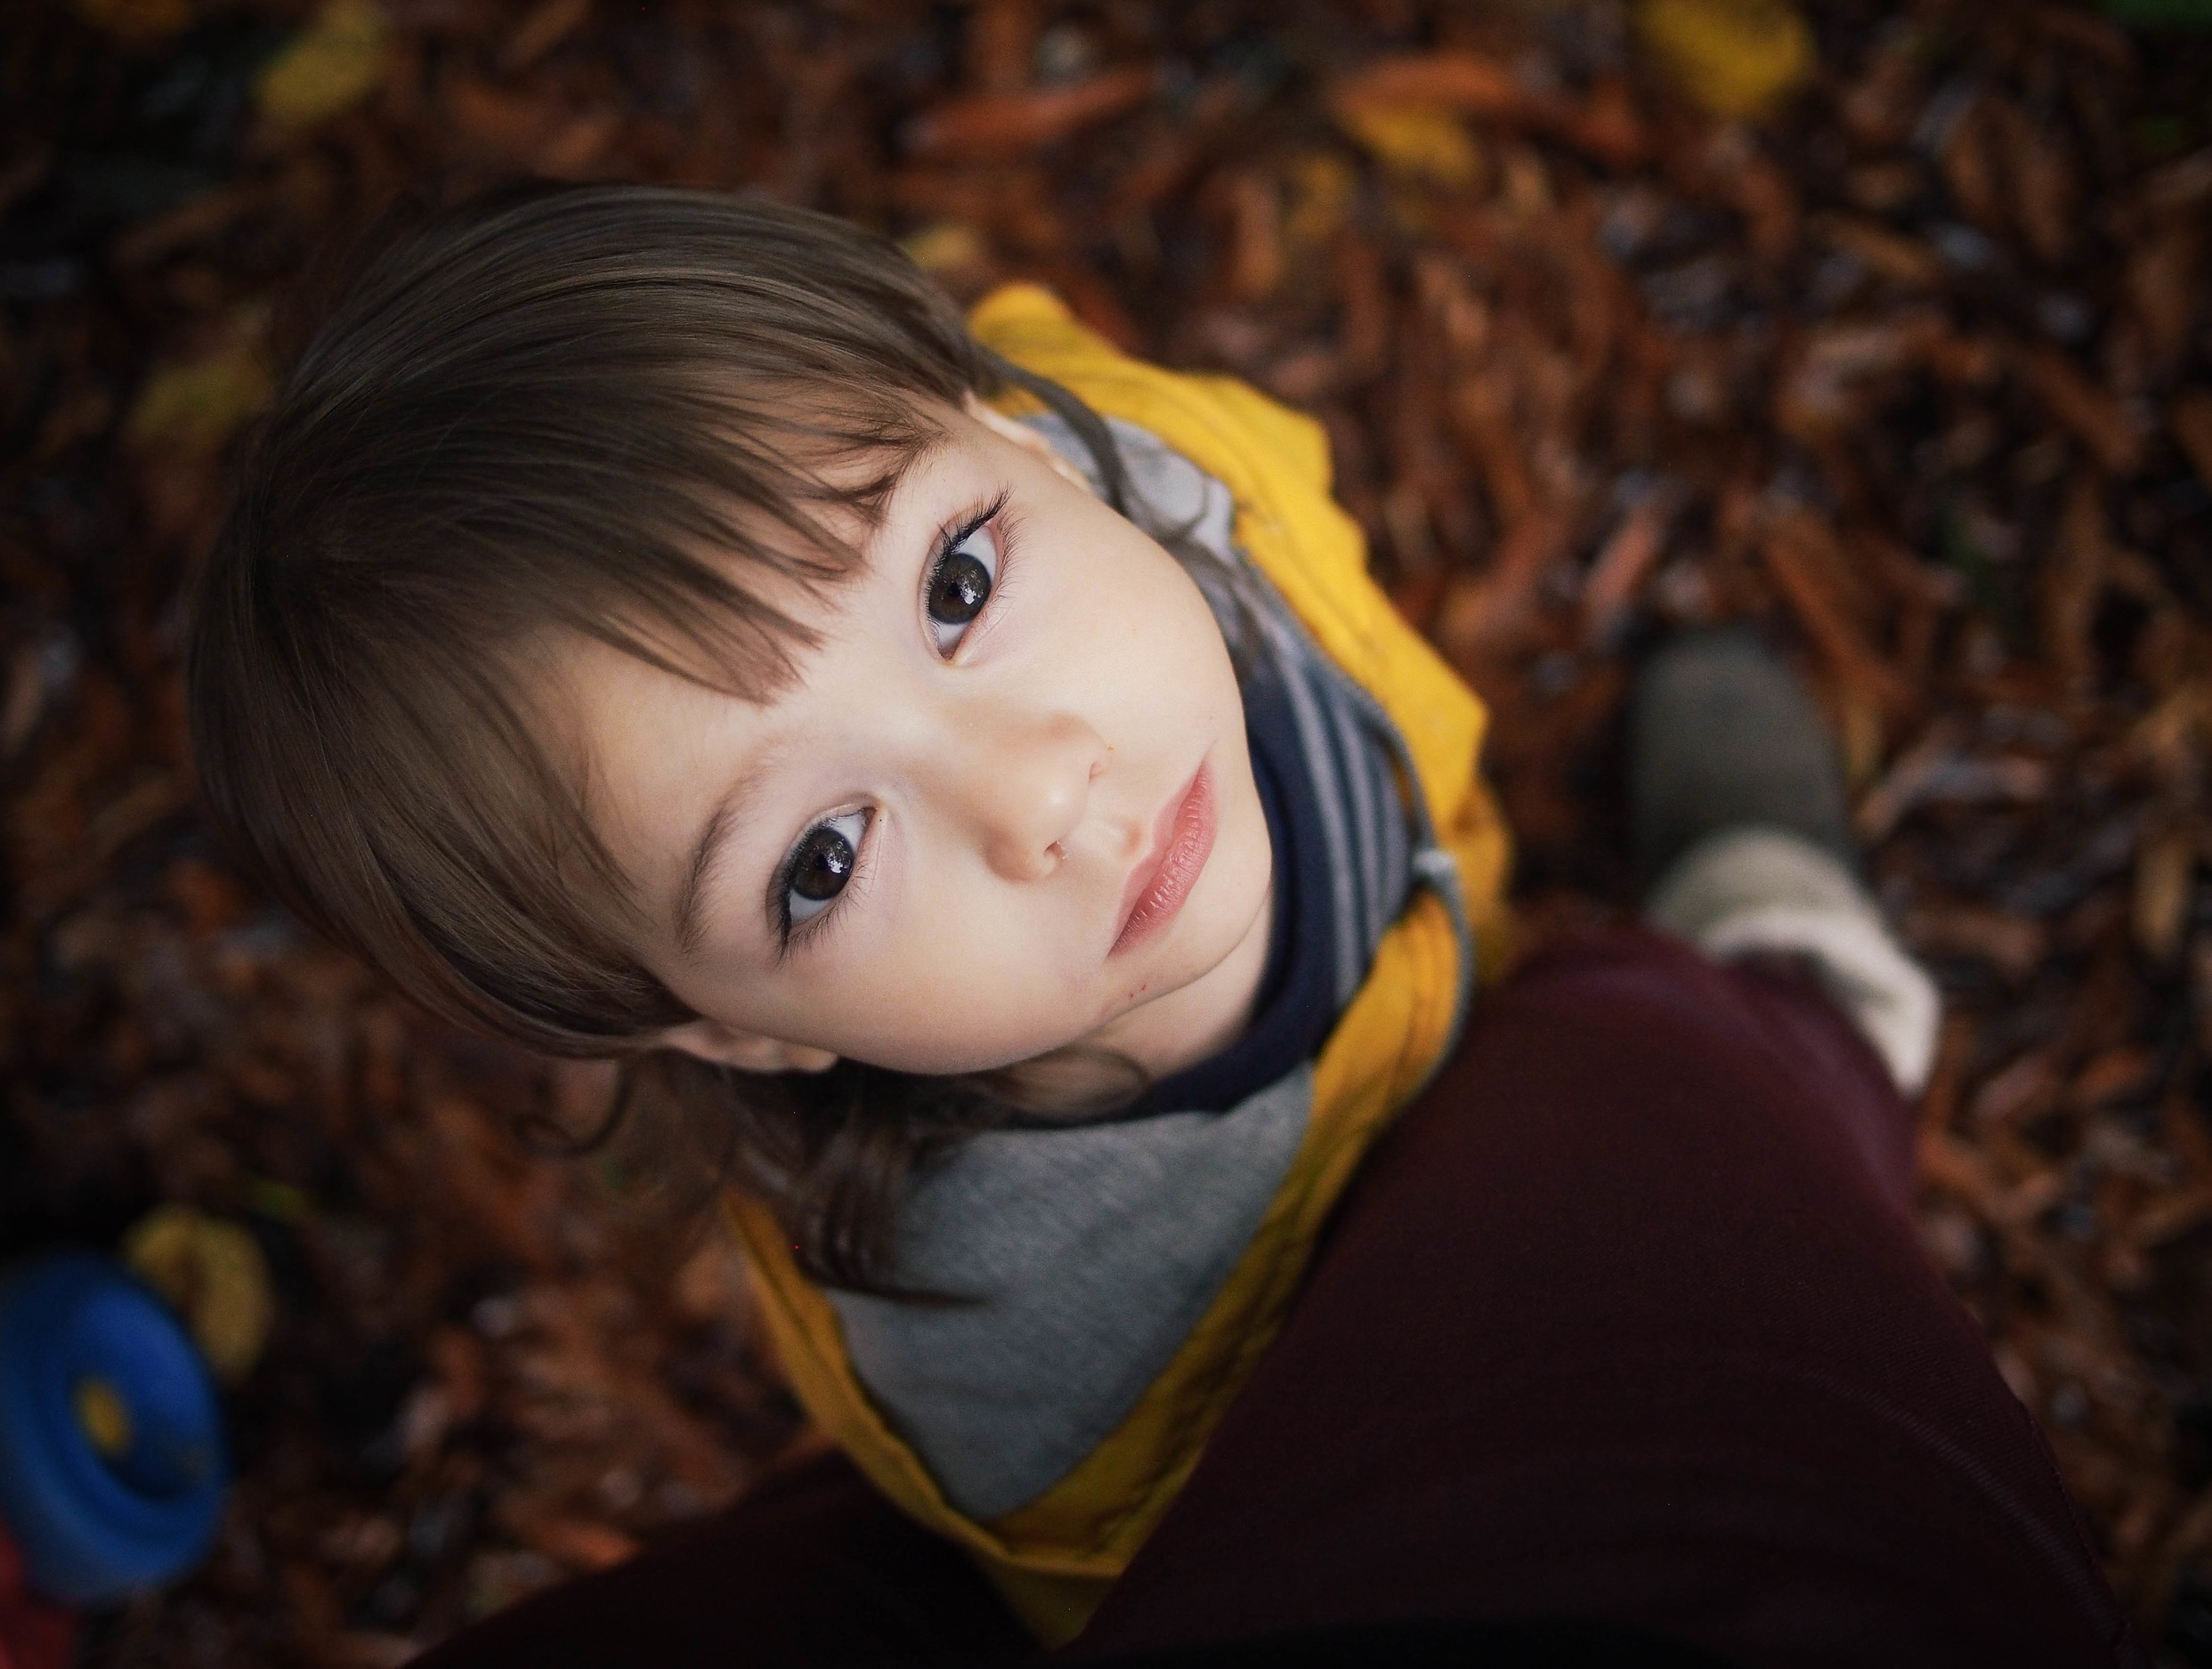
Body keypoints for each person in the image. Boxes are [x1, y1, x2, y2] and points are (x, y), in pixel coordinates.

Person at [187, 182, 2138, 1665]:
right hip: (1435, 1266)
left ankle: (1694, 973)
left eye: (952, 582)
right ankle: (1779, 974)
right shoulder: (1048, 1367)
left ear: (1011, 433)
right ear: (730, 1029)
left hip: (1459, 928)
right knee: (1701, 1059)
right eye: (817, 862)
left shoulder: (1147, 458)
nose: (1038, 789)